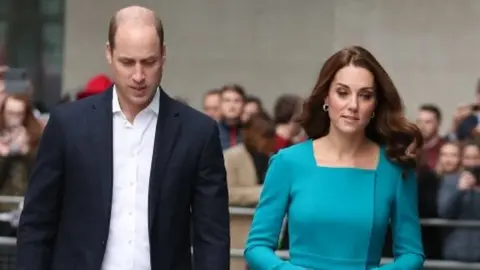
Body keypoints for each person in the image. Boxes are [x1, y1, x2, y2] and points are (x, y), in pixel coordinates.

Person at [17, 5, 230, 270]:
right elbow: (37, 223)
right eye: (127, 62)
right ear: (109, 53)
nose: (138, 76)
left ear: (164, 54)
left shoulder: (197, 132)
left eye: (149, 62)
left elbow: (212, 236)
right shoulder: (68, 125)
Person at [244, 46, 425, 269]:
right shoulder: (288, 162)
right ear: (326, 97)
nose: (353, 105)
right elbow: (257, 246)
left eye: (365, 95)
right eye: (343, 92)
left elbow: (412, 254)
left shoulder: (394, 168)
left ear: (375, 105)